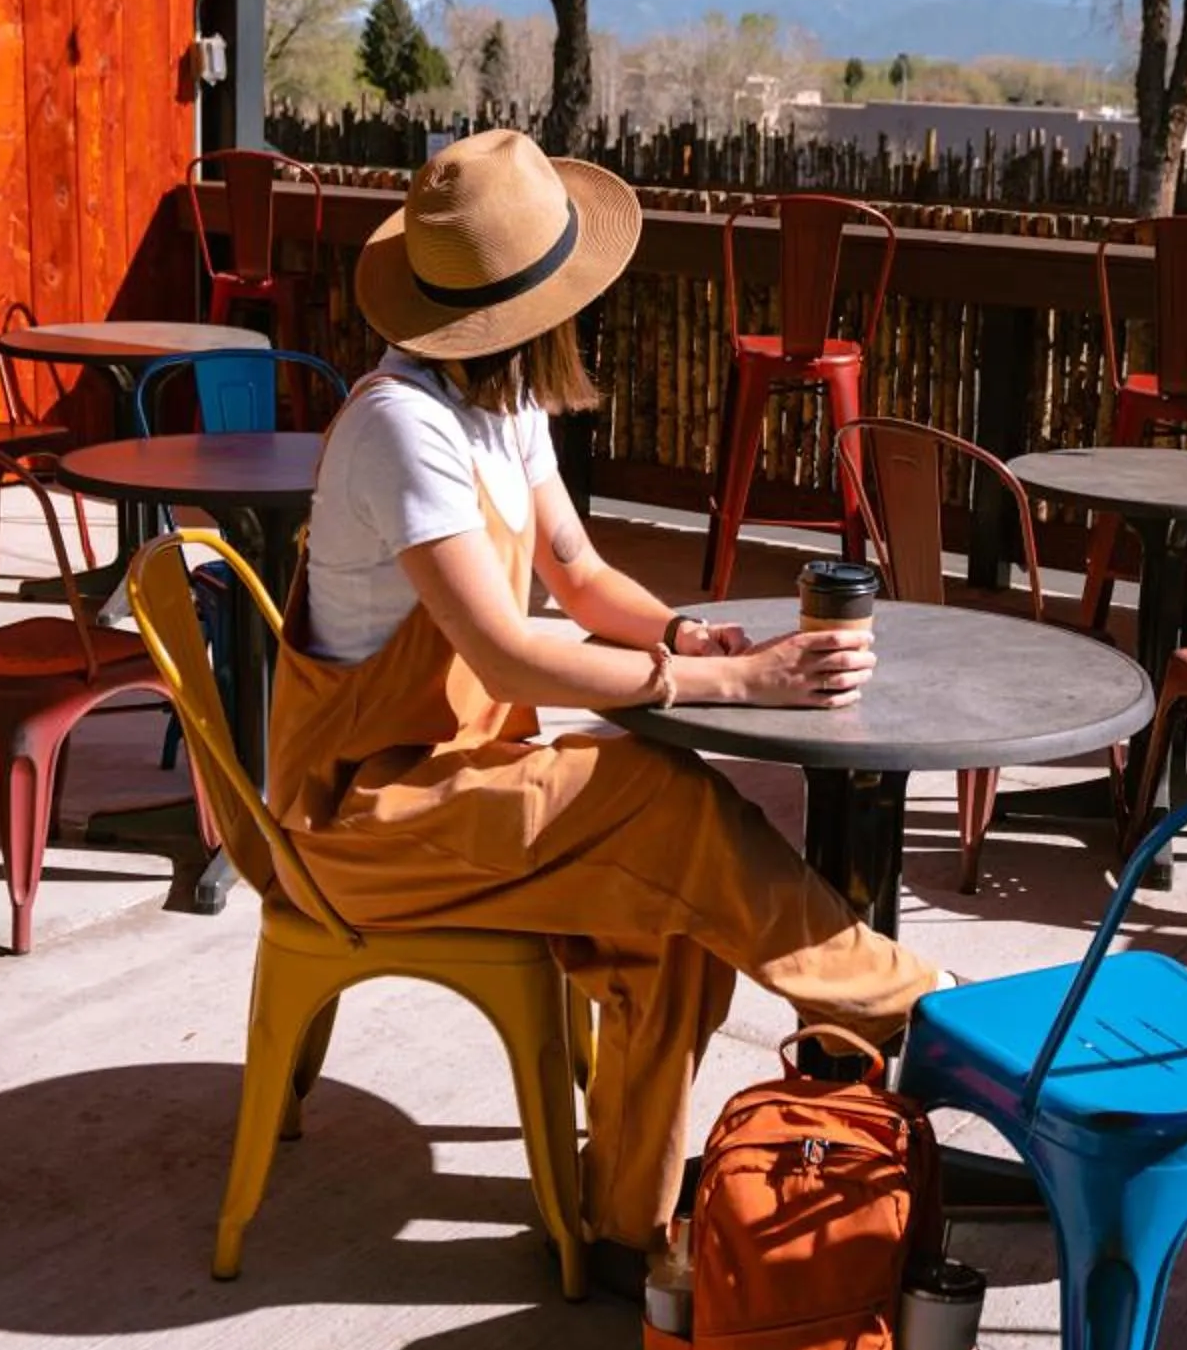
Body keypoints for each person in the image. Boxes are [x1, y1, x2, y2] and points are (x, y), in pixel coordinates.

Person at [267, 128, 941, 1282]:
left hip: (465, 777)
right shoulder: (400, 425)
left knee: (672, 932)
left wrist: (681, 631)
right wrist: (732, 678)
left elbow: (577, 576)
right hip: (371, 814)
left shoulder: (501, 399)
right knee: (659, 796)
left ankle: (622, 1230)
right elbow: (508, 648)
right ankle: (923, 1016)